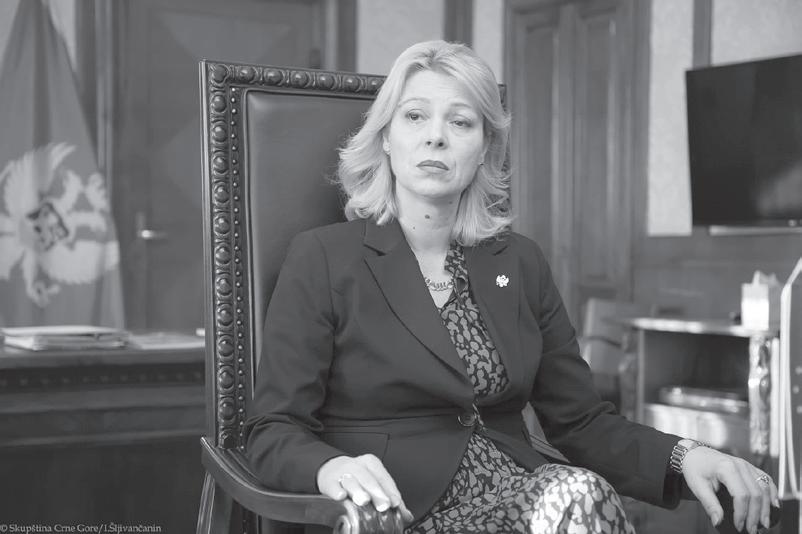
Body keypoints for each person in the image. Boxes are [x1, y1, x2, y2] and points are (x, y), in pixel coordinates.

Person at [245, 40, 779, 533]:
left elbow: (582, 423)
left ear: (484, 148)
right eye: (415, 116)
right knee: (580, 497)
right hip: (396, 513)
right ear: (386, 136)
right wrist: (331, 468)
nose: (436, 136)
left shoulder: (519, 262)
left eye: (461, 122)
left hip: (524, 495)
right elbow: (273, 429)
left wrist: (687, 456)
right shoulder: (323, 257)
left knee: (579, 494)